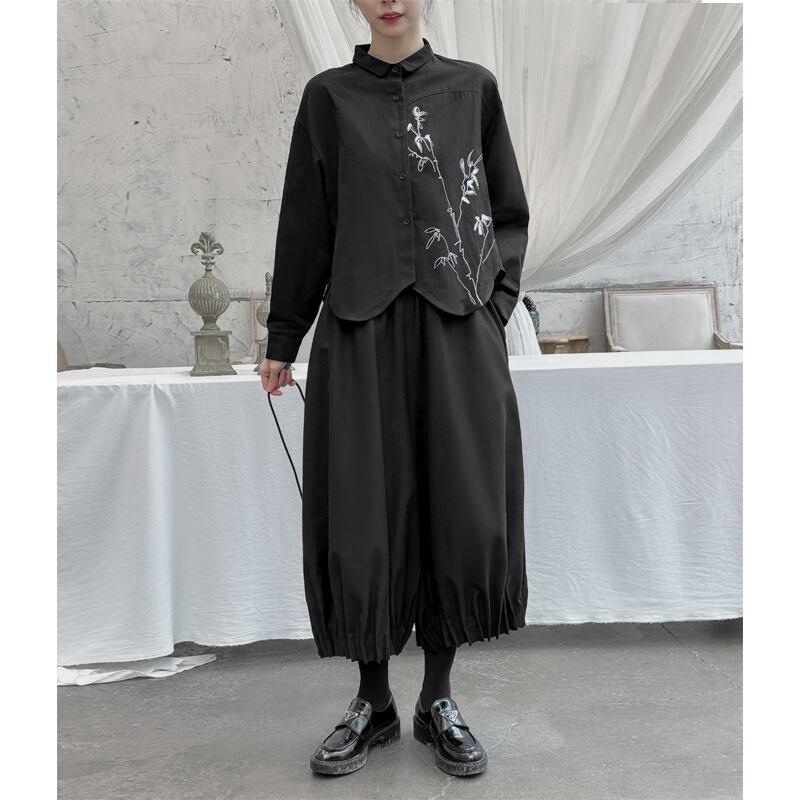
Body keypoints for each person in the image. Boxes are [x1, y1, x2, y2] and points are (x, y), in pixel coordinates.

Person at [259, 0, 530, 778]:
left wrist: (492, 305)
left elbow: (506, 211)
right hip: (358, 330)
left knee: (459, 506)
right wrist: (284, 337)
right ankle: (373, 701)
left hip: (456, 332)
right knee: (361, 514)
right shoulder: (328, 98)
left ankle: (437, 699)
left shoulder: (471, 90)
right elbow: (305, 220)